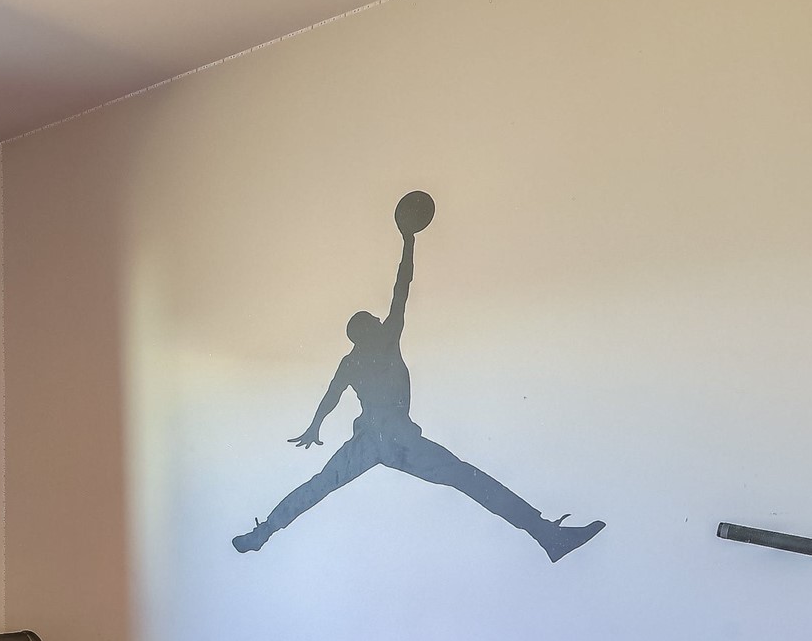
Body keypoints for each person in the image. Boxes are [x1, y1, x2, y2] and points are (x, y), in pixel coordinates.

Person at [233, 192, 604, 562]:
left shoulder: (353, 360)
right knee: (468, 479)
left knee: (320, 487)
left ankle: (263, 533)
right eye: (373, 320)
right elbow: (401, 288)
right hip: (394, 438)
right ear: (366, 330)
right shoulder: (383, 341)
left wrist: (316, 426)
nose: (380, 319)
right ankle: (545, 534)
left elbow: (332, 395)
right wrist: (408, 241)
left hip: (374, 439)